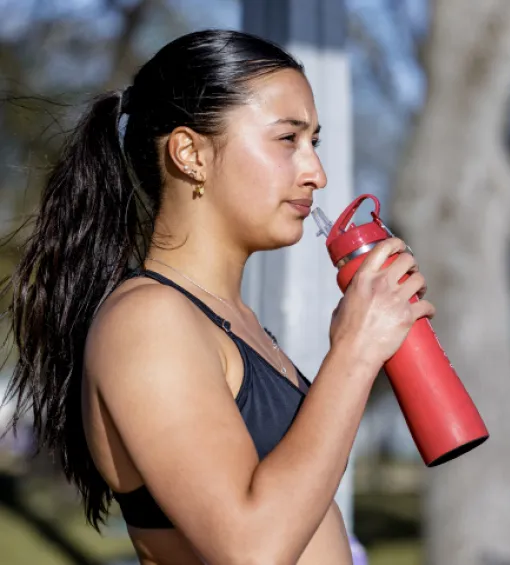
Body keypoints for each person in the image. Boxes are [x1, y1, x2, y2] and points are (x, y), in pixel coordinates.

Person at [1, 29, 434, 565]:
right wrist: (355, 350)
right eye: (287, 139)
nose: (315, 173)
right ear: (190, 154)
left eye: (314, 143)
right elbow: (251, 550)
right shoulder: (146, 322)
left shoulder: (232, 323)